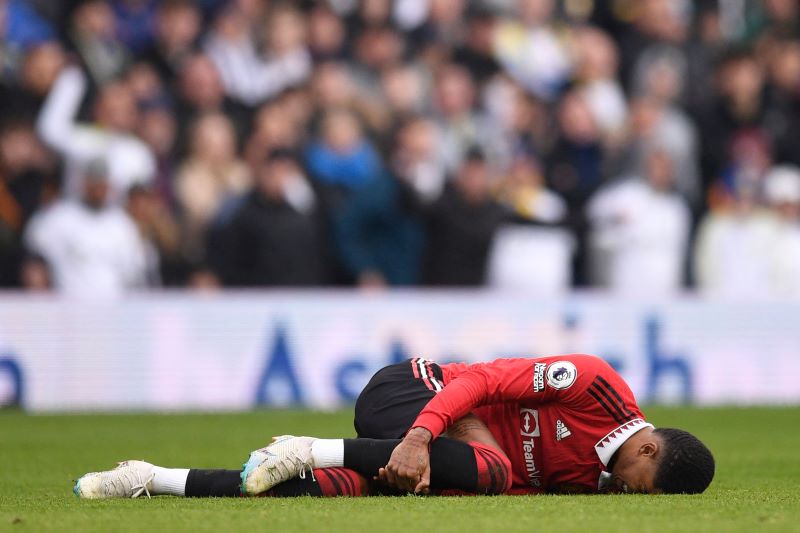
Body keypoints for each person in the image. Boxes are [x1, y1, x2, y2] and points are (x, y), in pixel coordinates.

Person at [73, 354, 715, 498]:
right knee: (489, 466)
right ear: (650, 446)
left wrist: (428, 470)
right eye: (641, 483)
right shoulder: (596, 385)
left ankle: (148, 478)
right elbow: (482, 383)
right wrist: (421, 436)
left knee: (317, 493)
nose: (629, 492)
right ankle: (305, 446)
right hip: (411, 391)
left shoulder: (592, 479)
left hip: (432, 449)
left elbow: (517, 491)